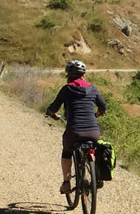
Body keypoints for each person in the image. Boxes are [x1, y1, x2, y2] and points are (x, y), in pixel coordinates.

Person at [45, 60, 107, 194]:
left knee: (67, 152)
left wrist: (51, 113)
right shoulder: (92, 88)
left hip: (74, 131)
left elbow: (53, 107)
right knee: (94, 149)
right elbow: (103, 106)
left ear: (68, 75)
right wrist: (97, 114)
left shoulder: (66, 89)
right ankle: (96, 175)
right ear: (83, 75)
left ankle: (66, 183)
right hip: (93, 131)